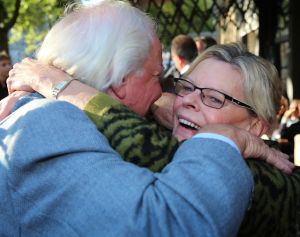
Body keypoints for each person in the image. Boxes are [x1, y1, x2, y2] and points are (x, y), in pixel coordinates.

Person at [0, 1, 267, 236]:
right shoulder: (49, 123)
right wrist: (224, 138)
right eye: (155, 77)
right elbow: (170, 226)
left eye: (214, 98)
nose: (161, 93)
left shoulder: (54, 117)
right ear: (121, 81)